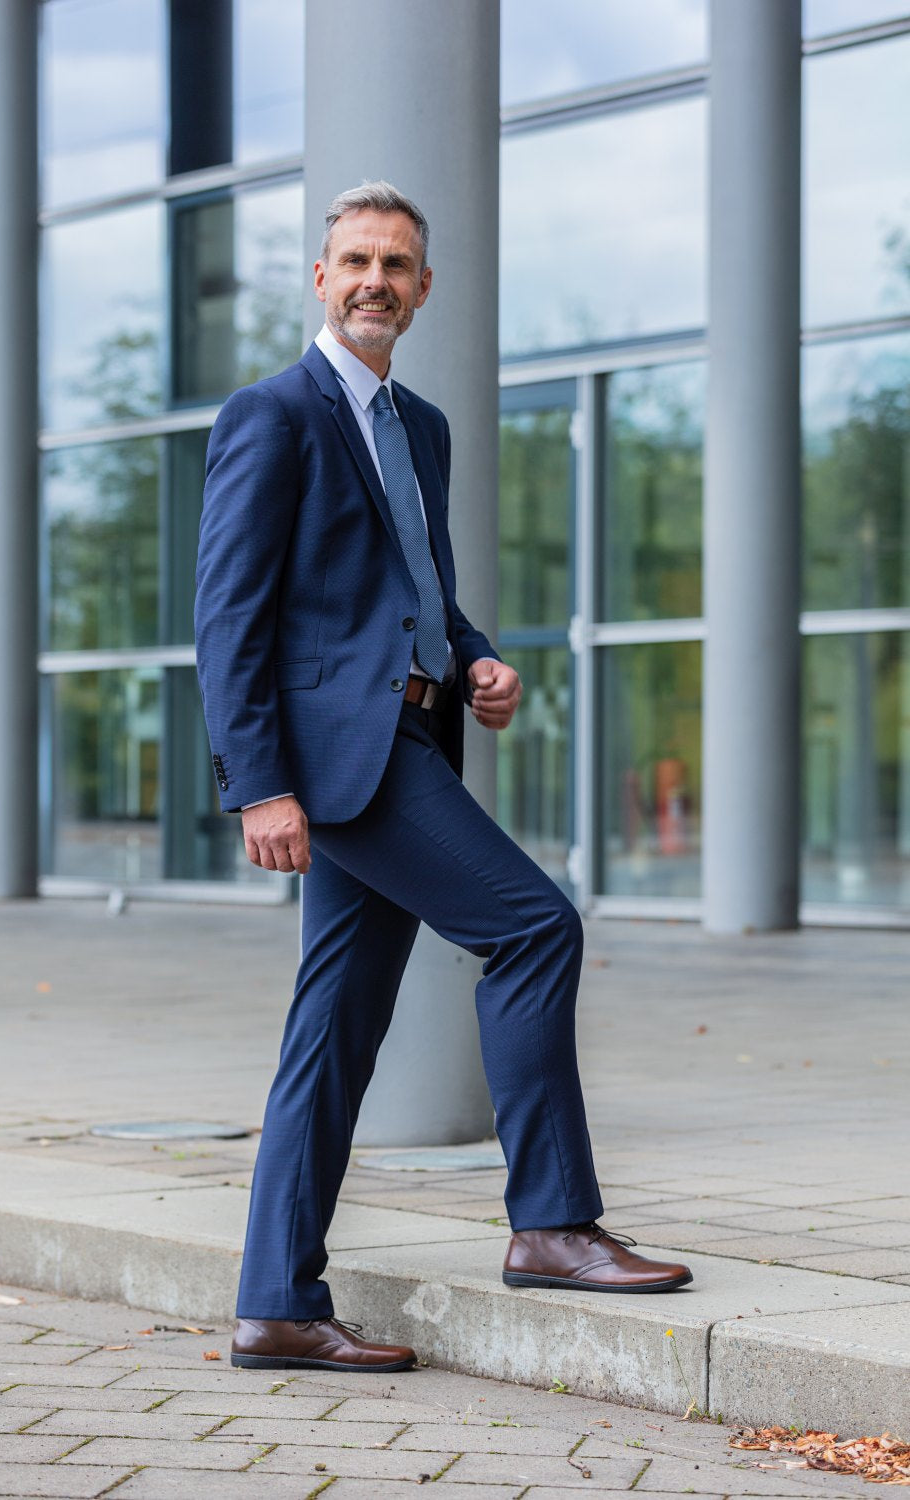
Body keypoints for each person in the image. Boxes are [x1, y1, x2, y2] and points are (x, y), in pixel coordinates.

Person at [194, 181, 692, 1375]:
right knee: (533, 929)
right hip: (333, 769)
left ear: (424, 289)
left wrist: (473, 657)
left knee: (334, 1029)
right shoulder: (271, 415)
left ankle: (275, 1303)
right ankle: (552, 1225)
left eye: (398, 265)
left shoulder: (419, 424)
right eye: (355, 260)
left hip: (410, 738)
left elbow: (414, 584)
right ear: (320, 279)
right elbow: (229, 615)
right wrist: (258, 785)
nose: (375, 280)